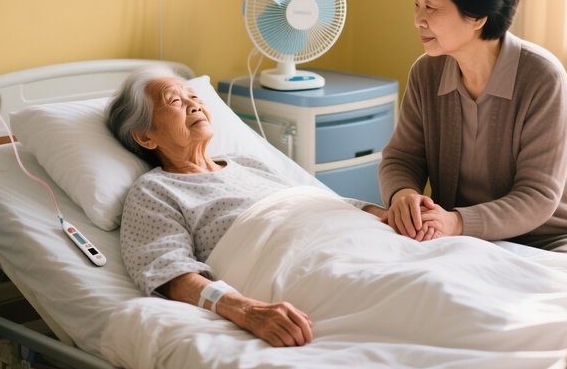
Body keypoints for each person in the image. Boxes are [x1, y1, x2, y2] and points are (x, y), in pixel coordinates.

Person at [108, 68, 391, 348]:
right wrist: (247, 311)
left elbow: (313, 199)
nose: (194, 105)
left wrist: (384, 215)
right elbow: (169, 274)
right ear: (145, 137)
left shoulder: (247, 163)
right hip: (305, 268)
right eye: (175, 101)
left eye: (194, 96)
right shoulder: (155, 191)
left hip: (353, 241)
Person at [379, 0, 567, 257]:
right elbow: (402, 158)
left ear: (477, 16)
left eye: (431, 6)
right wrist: (402, 194)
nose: (418, 19)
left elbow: (537, 196)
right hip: (464, 237)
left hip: (555, 237)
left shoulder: (542, 77)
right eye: (416, 3)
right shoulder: (426, 73)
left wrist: (456, 222)